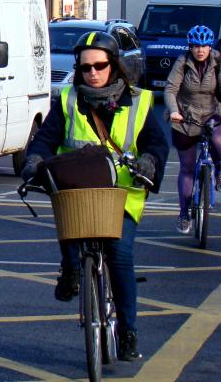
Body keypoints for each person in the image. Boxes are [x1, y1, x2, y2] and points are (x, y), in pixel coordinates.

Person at [21, 31, 169, 362]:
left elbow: (157, 144)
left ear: (114, 66)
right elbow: (45, 139)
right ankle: (72, 268)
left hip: (122, 195)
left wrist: (150, 161)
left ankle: (128, 331)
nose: (93, 73)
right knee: (69, 225)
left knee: (119, 254)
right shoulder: (68, 100)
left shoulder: (139, 101)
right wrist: (34, 160)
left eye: (100, 66)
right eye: (85, 68)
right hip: (79, 191)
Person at [164, 24, 221, 234]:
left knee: (218, 142)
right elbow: (170, 89)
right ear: (191, 46)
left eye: (203, 46)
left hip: (211, 112)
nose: (200, 50)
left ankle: (220, 172)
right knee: (186, 168)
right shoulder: (182, 62)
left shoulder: (218, 62)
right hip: (185, 116)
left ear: (209, 46)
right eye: (195, 46)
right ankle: (184, 214)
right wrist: (174, 111)